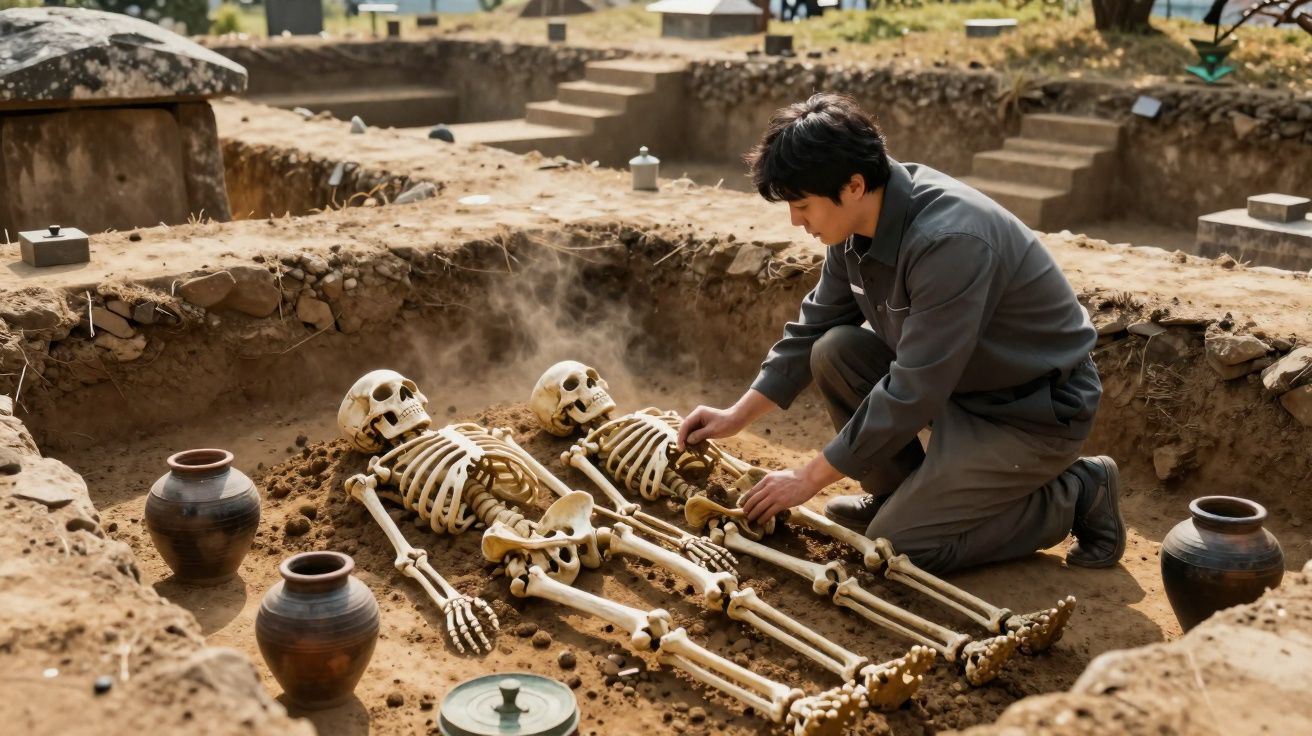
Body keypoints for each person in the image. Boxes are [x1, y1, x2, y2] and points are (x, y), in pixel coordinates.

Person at [676, 93, 1125, 575]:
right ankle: (900, 493)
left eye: (803, 205)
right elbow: (812, 328)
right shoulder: (855, 226)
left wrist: (807, 479)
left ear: (852, 185)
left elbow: (914, 389)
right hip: (964, 389)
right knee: (834, 350)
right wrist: (735, 415)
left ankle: (1076, 492)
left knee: (900, 547)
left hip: (1031, 410)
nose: (796, 221)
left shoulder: (949, 242)